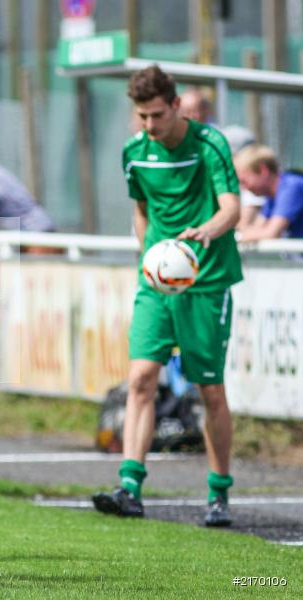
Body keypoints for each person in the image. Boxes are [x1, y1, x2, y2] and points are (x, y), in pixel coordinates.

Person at [92, 65, 242, 527]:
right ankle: (130, 486)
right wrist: (149, 256)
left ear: (175, 106)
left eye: (157, 115)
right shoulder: (135, 152)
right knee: (140, 379)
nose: (150, 126)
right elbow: (141, 209)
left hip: (206, 281)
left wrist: (205, 234)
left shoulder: (209, 144)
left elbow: (231, 208)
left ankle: (218, 494)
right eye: (142, 116)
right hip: (156, 284)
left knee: (209, 390)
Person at [234, 144, 303, 241]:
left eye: (244, 181)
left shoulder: (291, 186)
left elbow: (271, 232)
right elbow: (258, 228)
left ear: (263, 171)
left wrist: (236, 237)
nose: (243, 188)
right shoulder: (272, 196)